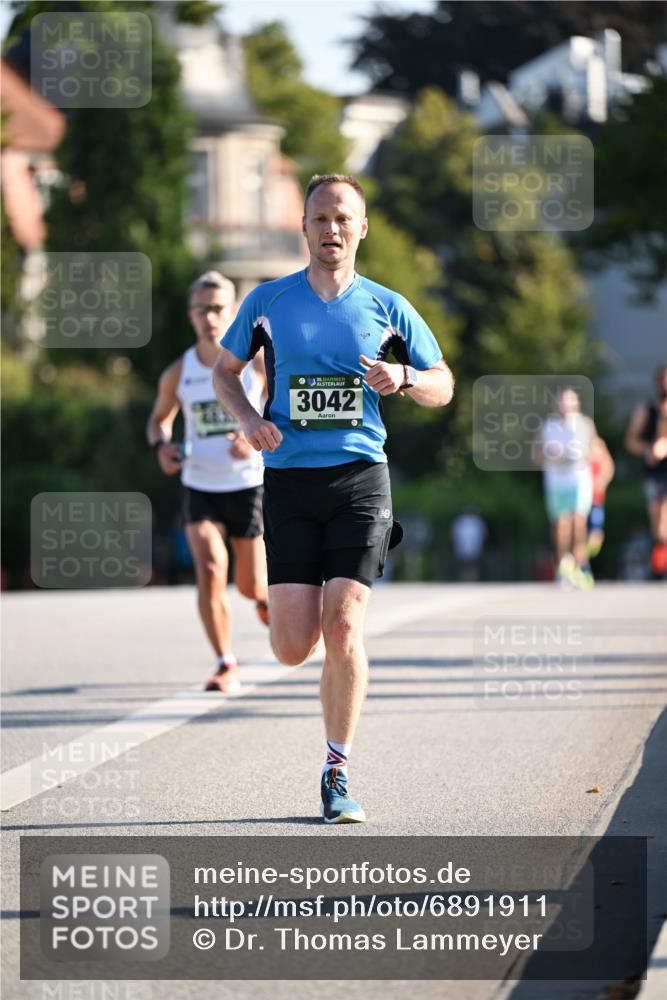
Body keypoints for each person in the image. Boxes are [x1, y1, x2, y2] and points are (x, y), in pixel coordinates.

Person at [212, 174, 454, 823]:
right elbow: (224, 372)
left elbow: (443, 384)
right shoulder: (268, 301)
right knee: (294, 645)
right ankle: (306, 635)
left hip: (358, 481)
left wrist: (404, 376)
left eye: (342, 218)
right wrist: (247, 420)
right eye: (320, 218)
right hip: (289, 483)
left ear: (361, 228)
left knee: (344, 625)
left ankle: (336, 772)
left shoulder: (387, 306)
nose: (331, 230)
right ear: (305, 227)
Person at [147, 271, 270, 693]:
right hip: (200, 485)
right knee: (211, 567)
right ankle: (225, 662)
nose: (210, 317)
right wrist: (161, 448)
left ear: (233, 312)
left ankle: (265, 599)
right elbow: (159, 421)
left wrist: (255, 432)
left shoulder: (255, 364)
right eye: (202, 309)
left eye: (218, 308)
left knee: (251, 585)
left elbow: (281, 408)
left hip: (247, 485)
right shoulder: (178, 372)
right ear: (191, 315)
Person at [534, 387, 598, 590]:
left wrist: (579, 453)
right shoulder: (548, 426)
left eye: (570, 400)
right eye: (562, 401)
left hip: (578, 479)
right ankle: (563, 566)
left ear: (576, 403)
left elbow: (595, 451)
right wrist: (551, 454)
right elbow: (536, 455)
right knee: (561, 525)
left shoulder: (585, 424)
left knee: (578, 523)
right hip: (556, 482)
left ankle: (582, 566)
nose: (566, 405)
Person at [625, 364, 667, 579]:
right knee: (658, 523)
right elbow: (631, 441)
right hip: (654, 473)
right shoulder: (646, 410)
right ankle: (659, 563)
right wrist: (648, 449)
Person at [587, 434, 615, 560]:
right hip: (582, 499)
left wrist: (602, 481)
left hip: (596, 499)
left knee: (595, 530)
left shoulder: (598, 445)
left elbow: (609, 467)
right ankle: (581, 560)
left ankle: (588, 553)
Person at [450, 508, 487, 582]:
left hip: (467, 546)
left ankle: (469, 579)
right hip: (469, 546)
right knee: (469, 564)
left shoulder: (462, 521)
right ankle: (468, 579)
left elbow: (454, 534)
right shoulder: (475, 521)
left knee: (469, 564)